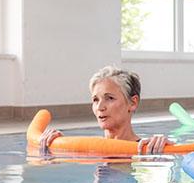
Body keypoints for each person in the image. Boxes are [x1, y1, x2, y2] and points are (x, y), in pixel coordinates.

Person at [40, 66, 169, 154]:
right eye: (95, 100)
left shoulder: (147, 149)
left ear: (133, 103)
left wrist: (161, 148)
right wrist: (53, 148)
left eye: (110, 98)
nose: (100, 107)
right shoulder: (90, 148)